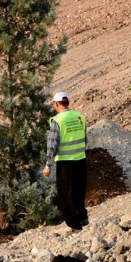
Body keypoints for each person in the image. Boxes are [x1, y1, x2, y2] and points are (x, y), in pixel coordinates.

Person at [42, 92, 89, 232]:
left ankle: (74, 226)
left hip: (65, 163)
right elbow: (85, 140)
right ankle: (83, 218)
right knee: (79, 191)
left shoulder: (57, 121)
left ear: (56, 104)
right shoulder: (80, 117)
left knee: (65, 195)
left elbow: (52, 145)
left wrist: (48, 165)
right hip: (81, 160)